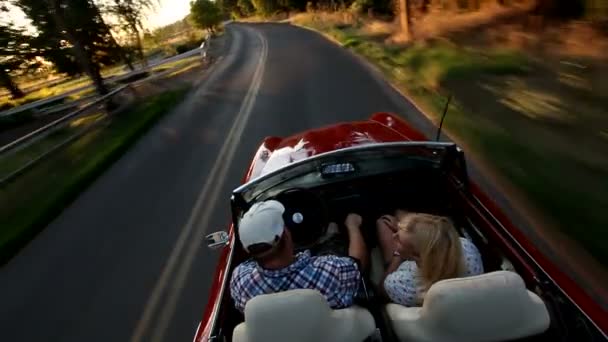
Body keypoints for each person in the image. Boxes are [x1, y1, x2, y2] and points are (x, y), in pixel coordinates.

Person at [229, 200, 369, 313]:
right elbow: (358, 263)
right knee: (332, 240)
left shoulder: (240, 282)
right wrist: (352, 225)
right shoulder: (331, 271)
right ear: (287, 234)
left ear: (246, 249)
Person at [376, 212, 483, 307]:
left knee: (382, 222)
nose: (394, 236)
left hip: (401, 267)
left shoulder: (403, 283)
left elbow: (382, 291)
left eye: (398, 240)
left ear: (416, 256)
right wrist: (406, 230)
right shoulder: (466, 248)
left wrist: (397, 254)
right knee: (399, 213)